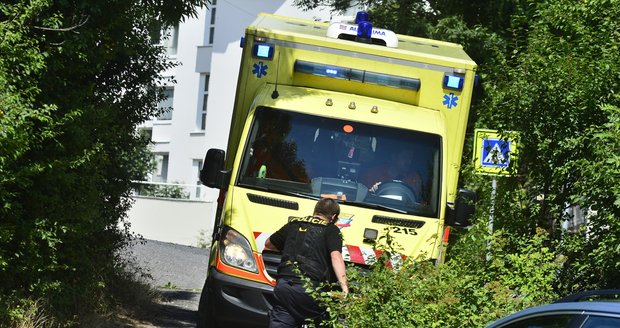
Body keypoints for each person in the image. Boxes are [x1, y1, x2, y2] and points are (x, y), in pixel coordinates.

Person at [265, 198, 348, 328]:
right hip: (310, 290)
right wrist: (344, 288)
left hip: (284, 287)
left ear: (316, 211)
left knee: (281, 320)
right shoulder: (331, 230)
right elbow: (336, 257)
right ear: (333, 216)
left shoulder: (294, 224)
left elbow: (269, 244)